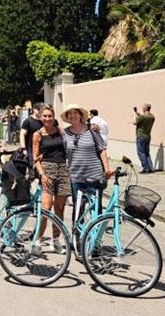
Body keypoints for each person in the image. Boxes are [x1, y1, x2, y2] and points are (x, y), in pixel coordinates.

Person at [60, 103, 111, 225]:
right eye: (70, 113)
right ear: (67, 117)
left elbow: (102, 149)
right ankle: (77, 238)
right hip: (76, 176)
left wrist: (107, 169)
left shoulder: (92, 130)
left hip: (94, 175)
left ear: (80, 115)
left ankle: (95, 240)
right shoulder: (64, 133)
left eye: (75, 113)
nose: (73, 115)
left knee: (96, 208)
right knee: (78, 209)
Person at [32, 105, 69, 253]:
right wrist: (42, 173)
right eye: (45, 116)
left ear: (54, 117)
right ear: (41, 117)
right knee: (46, 208)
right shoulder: (38, 134)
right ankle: (38, 240)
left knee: (60, 208)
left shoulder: (60, 131)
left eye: (50, 116)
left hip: (63, 169)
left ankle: (55, 240)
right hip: (47, 169)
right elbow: (35, 158)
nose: (47, 119)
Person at [133, 103, 156, 174]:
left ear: (145, 108)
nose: (142, 109)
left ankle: (145, 168)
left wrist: (134, 115)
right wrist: (139, 115)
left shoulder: (143, 117)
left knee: (141, 152)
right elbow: (144, 120)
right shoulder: (152, 117)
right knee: (147, 153)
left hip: (141, 136)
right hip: (148, 136)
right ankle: (150, 168)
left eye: (143, 108)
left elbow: (135, 122)